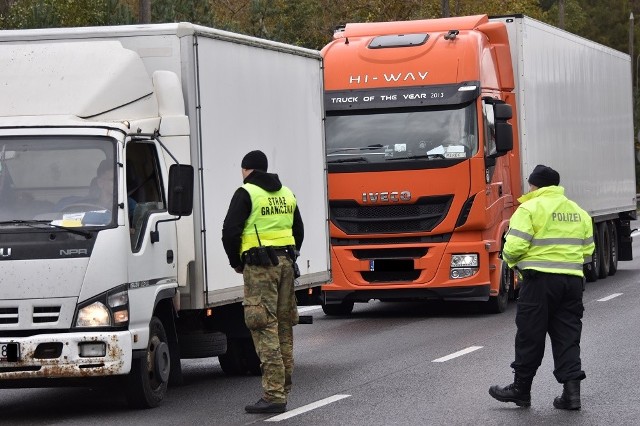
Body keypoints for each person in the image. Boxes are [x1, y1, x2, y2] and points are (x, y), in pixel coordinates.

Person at [489, 165, 594, 410]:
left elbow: (514, 247)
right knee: (568, 336)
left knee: (530, 335)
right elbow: (588, 248)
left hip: (539, 282)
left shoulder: (529, 208)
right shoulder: (577, 210)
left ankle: (521, 390)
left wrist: (512, 262)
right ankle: (571, 394)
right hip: (572, 282)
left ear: (535, 185)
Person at [221, 149, 304, 414]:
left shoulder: (246, 192)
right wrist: (289, 255)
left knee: (263, 326)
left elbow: (230, 232)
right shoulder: (286, 193)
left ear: (247, 170)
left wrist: (236, 261)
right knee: (283, 327)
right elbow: (298, 230)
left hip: (259, 268)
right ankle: (283, 388)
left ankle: (274, 395)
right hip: (286, 266)